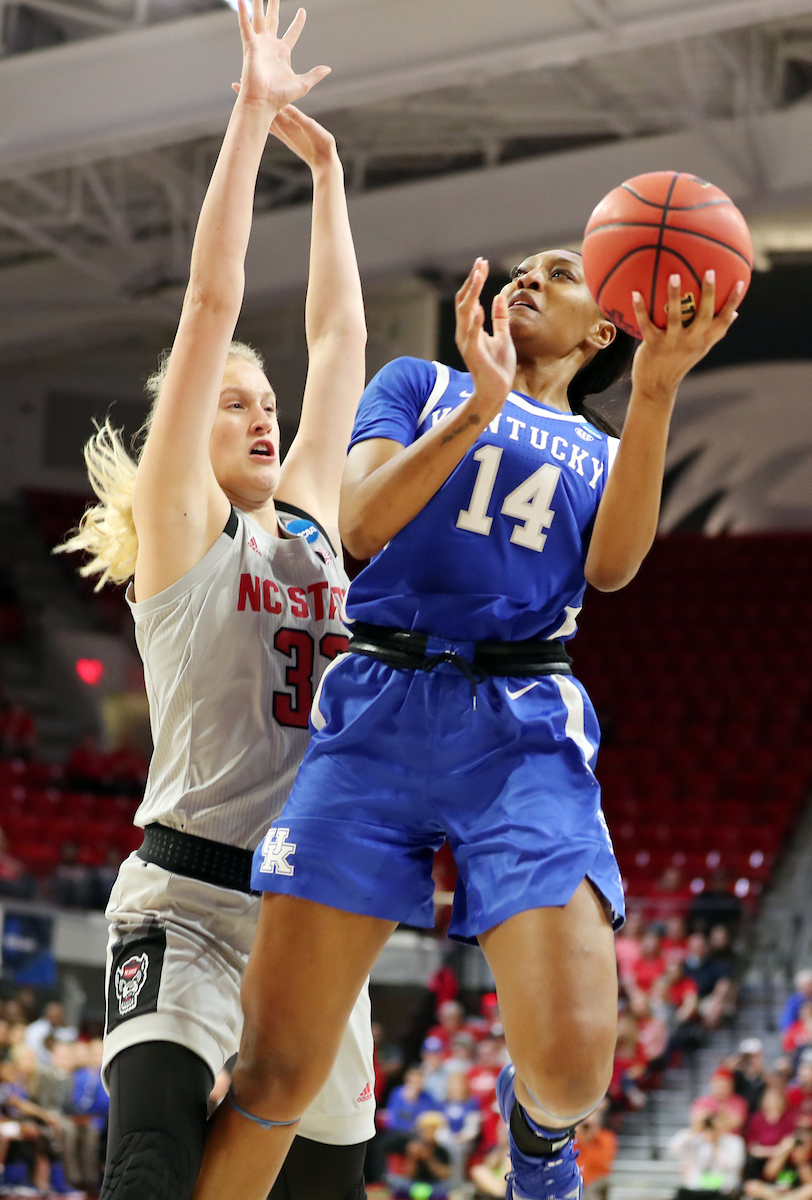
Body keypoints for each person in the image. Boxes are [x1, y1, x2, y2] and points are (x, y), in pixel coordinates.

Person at [191, 242, 743, 1200]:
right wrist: (481, 406)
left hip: (521, 720)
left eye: (562, 272)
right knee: (276, 1070)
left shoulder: (611, 447)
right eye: (523, 266)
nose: (530, 276)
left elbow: (611, 570)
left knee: (574, 1073)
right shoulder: (419, 384)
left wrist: (655, 390)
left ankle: (534, 1143)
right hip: (379, 703)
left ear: (604, 329)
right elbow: (359, 527)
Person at [59, 3, 372, 1198]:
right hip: (184, 904)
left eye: (265, 401)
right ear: (189, 435)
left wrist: (332, 175)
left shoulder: (307, 527)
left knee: (326, 1190)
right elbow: (211, 304)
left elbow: (339, 336)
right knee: (150, 1166)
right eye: (236, 402)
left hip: (310, 922)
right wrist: (248, 118)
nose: (262, 411)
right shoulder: (184, 539)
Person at [669, 1110, 745, 1198]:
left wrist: (715, 1146)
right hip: (696, 1187)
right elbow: (674, 1148)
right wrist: (695, 1130)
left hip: (722, 1188)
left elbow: (732, 1164)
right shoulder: (698, 1139)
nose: (715, 1129)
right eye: (712, 1125)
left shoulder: (734, 1142)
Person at [743, 1127, 812, 1198]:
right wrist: (784, 1150)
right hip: (776, 1192)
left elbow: (809, 1184)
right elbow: (769, 1174)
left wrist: (800, 1162)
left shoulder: (806, 1162)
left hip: (795, 1194)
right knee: (752, 1186)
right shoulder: (784, 1156)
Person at [574, 1109, 616, 1200]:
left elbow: (602, 1164)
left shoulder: (606, 1139)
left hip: (595, 1183)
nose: (586, 1128)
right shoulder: (572, 1140)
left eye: (590, 1125)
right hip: (575, 1182)